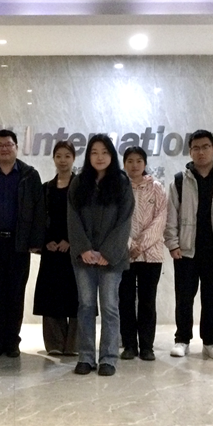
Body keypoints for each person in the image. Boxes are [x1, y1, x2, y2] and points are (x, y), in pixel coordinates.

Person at [68, 134, 134, 377]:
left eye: (105, 152)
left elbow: (125, 220)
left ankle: (108, 357)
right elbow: (72, 218)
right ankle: (86, 357)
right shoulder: (79, 182)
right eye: (94, 152)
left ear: (112, 155)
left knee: (109, 307)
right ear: (88, 156)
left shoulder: (121, 182)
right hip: (83, 258)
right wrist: (84, 248)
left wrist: (108, 252)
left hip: (111, 259)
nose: (99, 157)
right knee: (85, 306)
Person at [0, 129, 45, 358]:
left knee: (16, 294)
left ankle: (13, 342)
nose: (4, 149)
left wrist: (35, 242)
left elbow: (39, 210)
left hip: (19, 244)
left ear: (16, 147)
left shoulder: (29, 175)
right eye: (0, 145)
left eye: (9, 144)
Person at [163, 130, 213, 360]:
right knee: (184, 298)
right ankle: (182, 339)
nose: (201, 152)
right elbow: (171, 214)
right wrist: (172, 244)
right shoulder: (180, 181)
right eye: (196, 148)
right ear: (190, 151)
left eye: (205, 147)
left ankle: (210, 342)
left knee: (212, 299)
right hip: (186, 250)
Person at [119, 147, 166, 362]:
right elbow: (117, 220)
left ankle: (147, 346)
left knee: (148, 301)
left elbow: (161, 219)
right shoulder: (119, 188)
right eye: (130, 161)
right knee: (125, 300)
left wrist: (141, 244)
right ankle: (129, 345)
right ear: (124, 164)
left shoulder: (157, 187)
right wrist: (130, 243)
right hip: (124, 253)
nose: (134, 165)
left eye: (139, 160)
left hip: (151, 255)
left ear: (145, 163)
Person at [33, 141, 79, 355]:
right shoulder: (46, 189)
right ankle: (55, 344)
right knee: (51, 296)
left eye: (67, 156)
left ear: (74, 158)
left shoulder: (82, 187)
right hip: (51, 252)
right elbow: (39, 219)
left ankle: (74, 345)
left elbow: (85, 219)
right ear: (53, 159)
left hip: (76, 251)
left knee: (76, 297)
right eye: (59, 156)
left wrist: (71, 240)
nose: (63, 160)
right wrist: (46, 241)